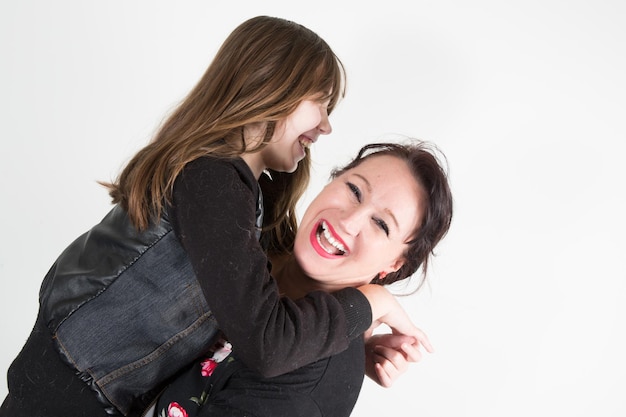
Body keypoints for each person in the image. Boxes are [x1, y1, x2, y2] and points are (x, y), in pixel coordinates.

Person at [1, 17, 425, 417]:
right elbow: (266, 341)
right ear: (274, 88)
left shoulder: (233, 188)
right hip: (69, 391)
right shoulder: (214, 182)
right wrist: (372, 303)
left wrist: (344, 335)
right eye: (322, 103)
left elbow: (264, 298)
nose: (327, 126)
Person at [151, 141, 454, 417]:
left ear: (394, 263)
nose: (349, 222)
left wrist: (367, 305)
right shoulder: (249, 236)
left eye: (381, 224)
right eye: (355, 190)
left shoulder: (320, 374)